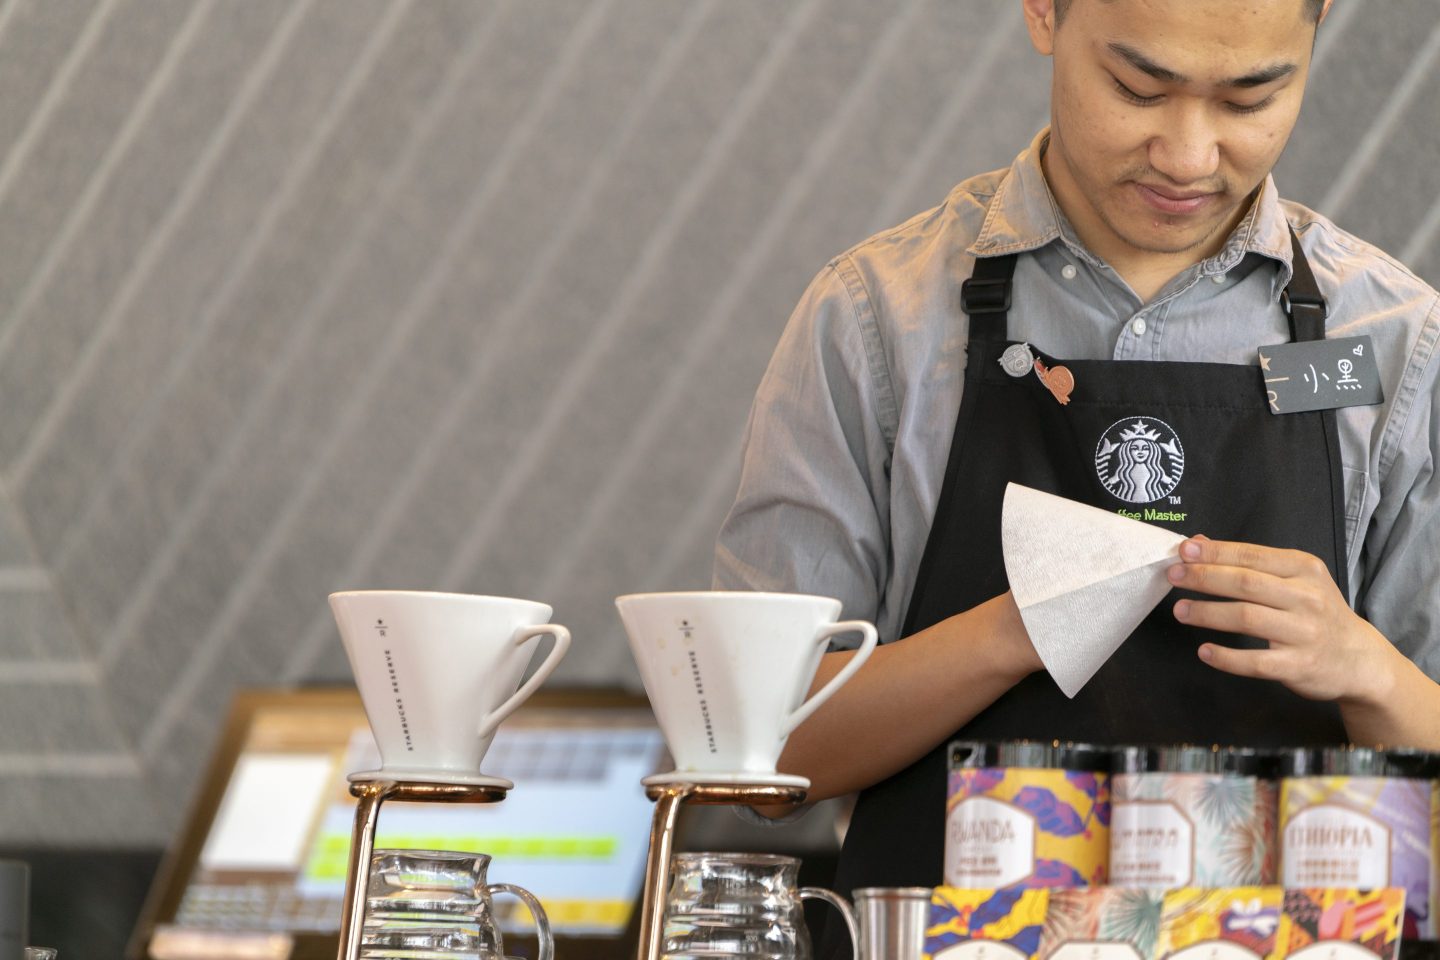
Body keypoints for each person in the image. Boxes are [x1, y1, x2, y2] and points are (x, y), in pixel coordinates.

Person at [711, 0, 1440, 930]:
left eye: (1251, 97)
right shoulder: (876, 321)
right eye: (1139, 87)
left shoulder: (1395, 345)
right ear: (1044, 11)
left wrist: (1365, 669)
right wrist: (1020, 629)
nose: (1187, 156)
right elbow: (760, 763)